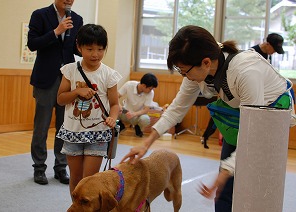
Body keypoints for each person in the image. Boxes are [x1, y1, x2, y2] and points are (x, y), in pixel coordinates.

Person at [121, 25, 295, 212]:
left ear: (205, 62)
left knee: (256, 187)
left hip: (272, 116)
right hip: (242, 114)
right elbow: (176, 109)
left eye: (185, 71)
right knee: (224, 190)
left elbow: (253, 136)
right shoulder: (198, 68)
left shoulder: (245, 71)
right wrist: (146, 144)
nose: (184, 76)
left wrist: (224, 173)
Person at [56, 24, 122, 200]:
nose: (95, 54)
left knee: (89, 180)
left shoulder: (109, 74)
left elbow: (115, 104)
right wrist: (77, 92)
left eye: (100, 49)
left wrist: (112, 118)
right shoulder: (70, 70)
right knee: (76, 179)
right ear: (79, 47)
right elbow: (60, 99)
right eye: (90, 48)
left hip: (97, 134)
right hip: (73, 132)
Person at [27, 0, 83, 185]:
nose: (69, 0)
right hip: (45, 78)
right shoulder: (40, 14)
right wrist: (56, 32)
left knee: (64, 127)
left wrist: (90, 47)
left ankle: (61, 168)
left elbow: (75, 49)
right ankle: (39, 168)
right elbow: (32, 44)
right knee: (41, 127)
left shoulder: (76, 19)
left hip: (67, 79)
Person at [117, 73, 158, 137]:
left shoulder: (151, 93)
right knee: (112, 108)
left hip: (138, 115)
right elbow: (116, 96)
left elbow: (146, 110)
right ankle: (120, 126)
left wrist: (134, 114)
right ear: (144, 85)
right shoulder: (129, 85)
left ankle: (138, 128)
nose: (151, 90)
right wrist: (120, 107)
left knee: (145, 119)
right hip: (125, 112)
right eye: (150, 88)